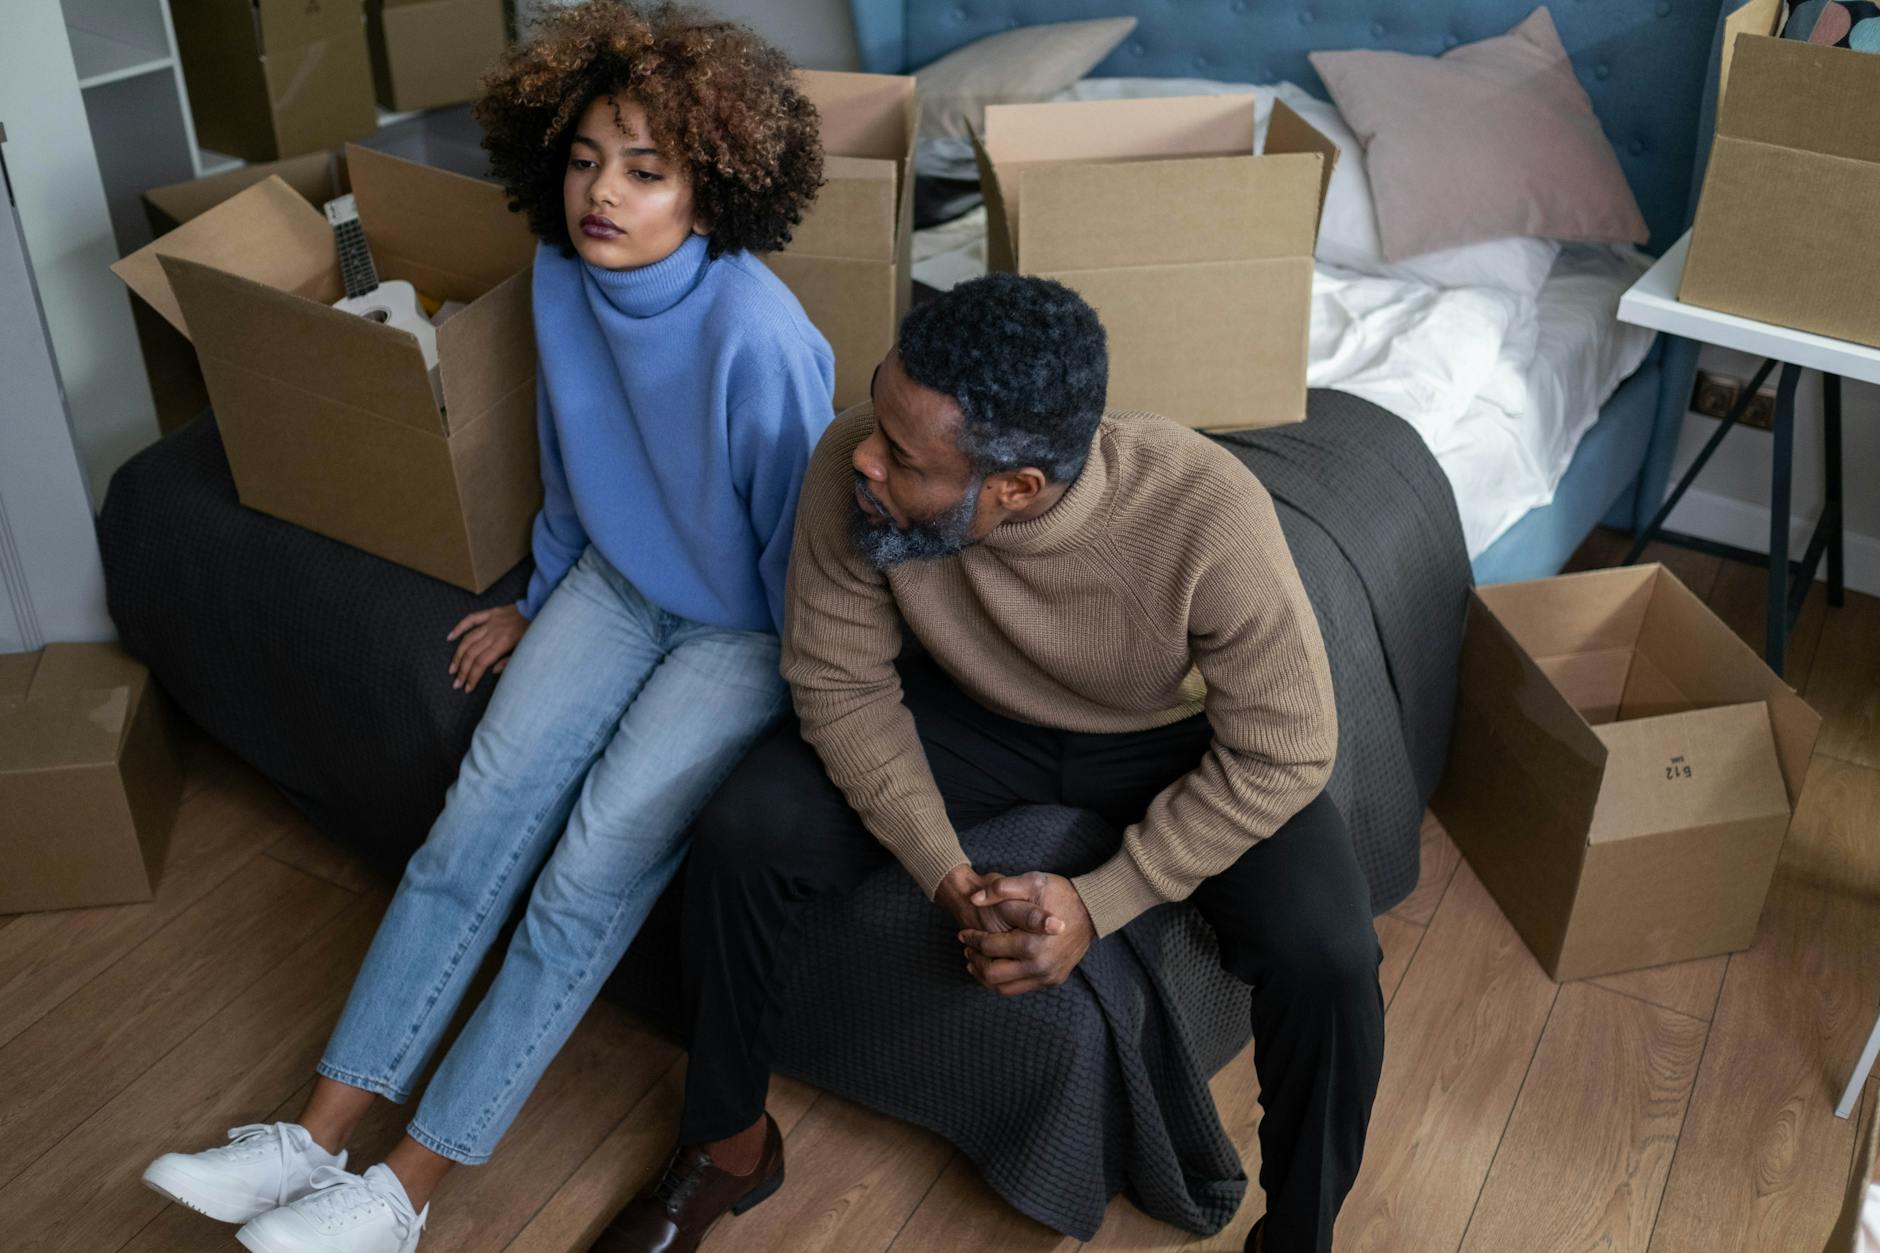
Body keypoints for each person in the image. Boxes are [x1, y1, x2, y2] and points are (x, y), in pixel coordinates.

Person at [139, 5, 833, 1250]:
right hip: (615, 586)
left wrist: (792, 704)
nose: (598, 194)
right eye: (582, 158)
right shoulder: (561, 276)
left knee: (584, 875)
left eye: (645, 169)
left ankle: (403, 1190)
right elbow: (575, 460)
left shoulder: (761, 338)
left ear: (714, 188)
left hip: (741, 633)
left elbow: (803, 561)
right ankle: (312, 1134)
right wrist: (535, 593)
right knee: (471, 828)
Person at [593, 273, 1384, 1253]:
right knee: (745, 827)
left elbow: (1286, 743)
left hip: (1168, 732)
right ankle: (728, 1142)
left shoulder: (1200, 508)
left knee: (1330, 954)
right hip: (972, 710)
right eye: (877, 409)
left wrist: (1103, 898)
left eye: (905, 456)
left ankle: (1299, 1237)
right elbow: (838, 681)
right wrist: (944, 869)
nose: (865, 459)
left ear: (1013, 487)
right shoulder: (854, 458)